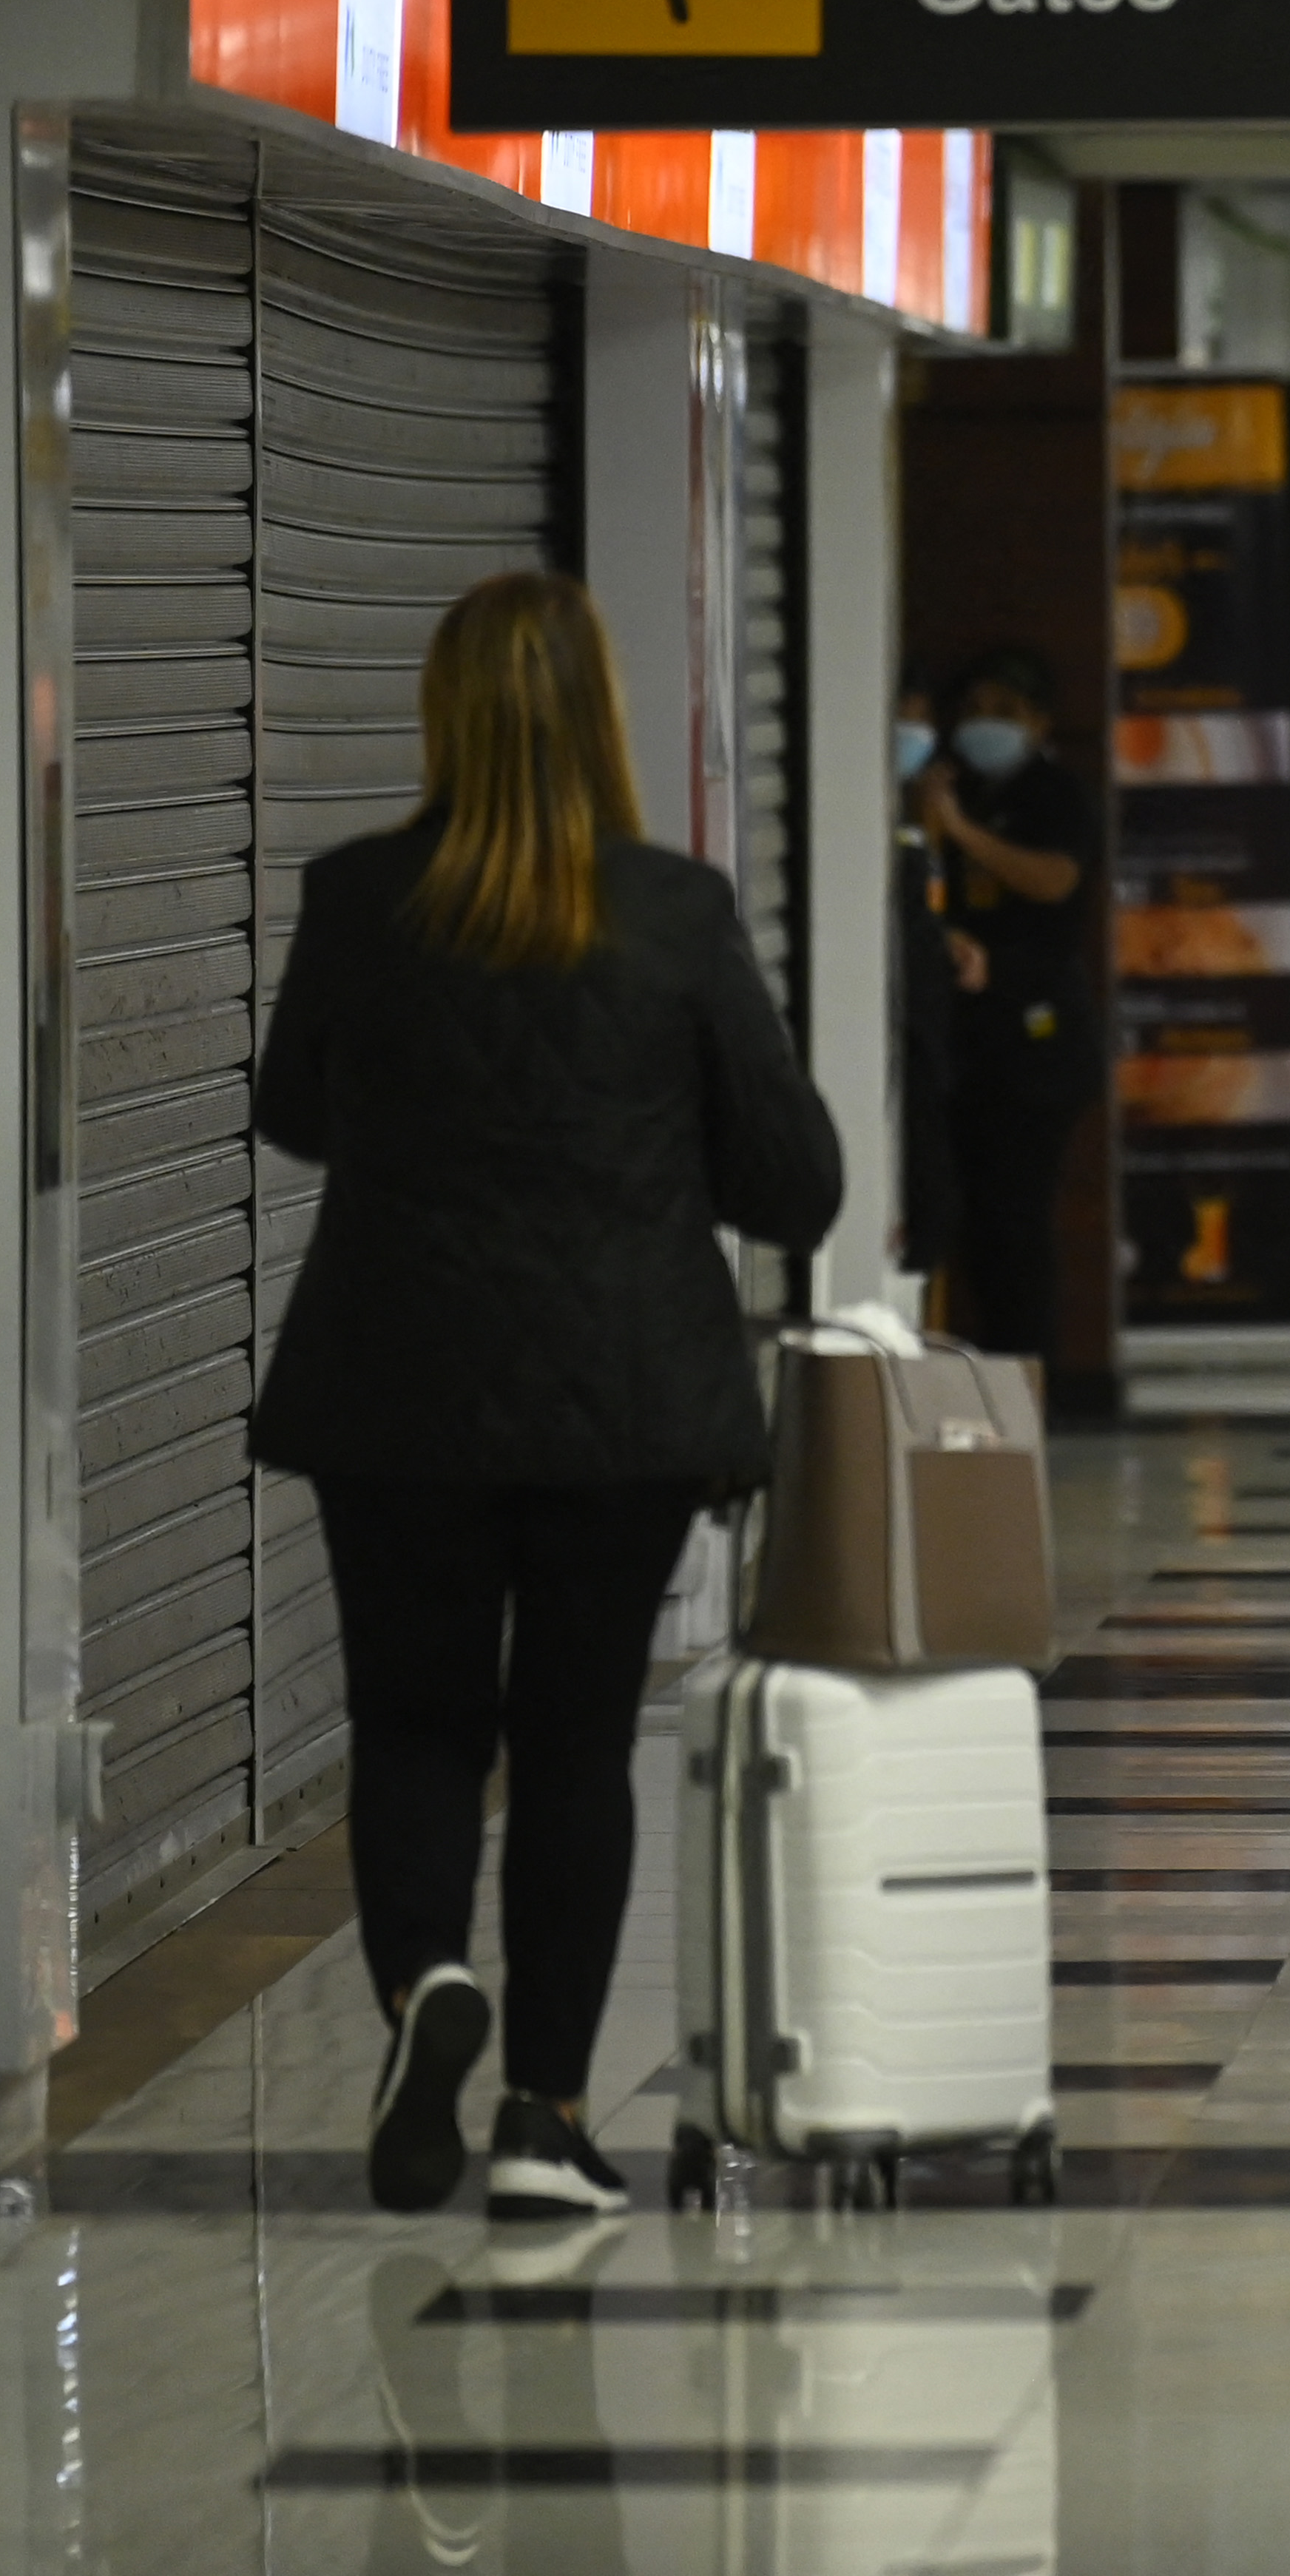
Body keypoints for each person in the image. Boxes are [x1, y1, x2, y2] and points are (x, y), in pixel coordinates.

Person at [249, 569, 844, 2220]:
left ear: (441, 714)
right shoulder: (673, 913)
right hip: (622, 1404)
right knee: (577, 1744)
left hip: (395, 1392)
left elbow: (293, 1110)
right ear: (601, 713)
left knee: (417, 1716)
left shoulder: (359, 898)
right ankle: (544, 2115)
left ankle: (427, 1981)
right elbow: (798, 1181)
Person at [925, 645, 1099, 1371]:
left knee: (1017, 1223)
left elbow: (1055, 880)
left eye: (1005, 712)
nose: (984, 725)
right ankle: (982, 1377)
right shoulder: (946, 785)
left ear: (1038, 721)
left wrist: (963, 833)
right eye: (973, 711)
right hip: (966, 1037)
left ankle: (1029, 1382)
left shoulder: (1055, 795)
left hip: (1038, 1041)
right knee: (969, 1223)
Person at [889, 672, 966, 1294]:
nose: (914, 735)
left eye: (923, 721)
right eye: (903, 718)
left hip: (925, 1024)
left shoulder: (920, 814)